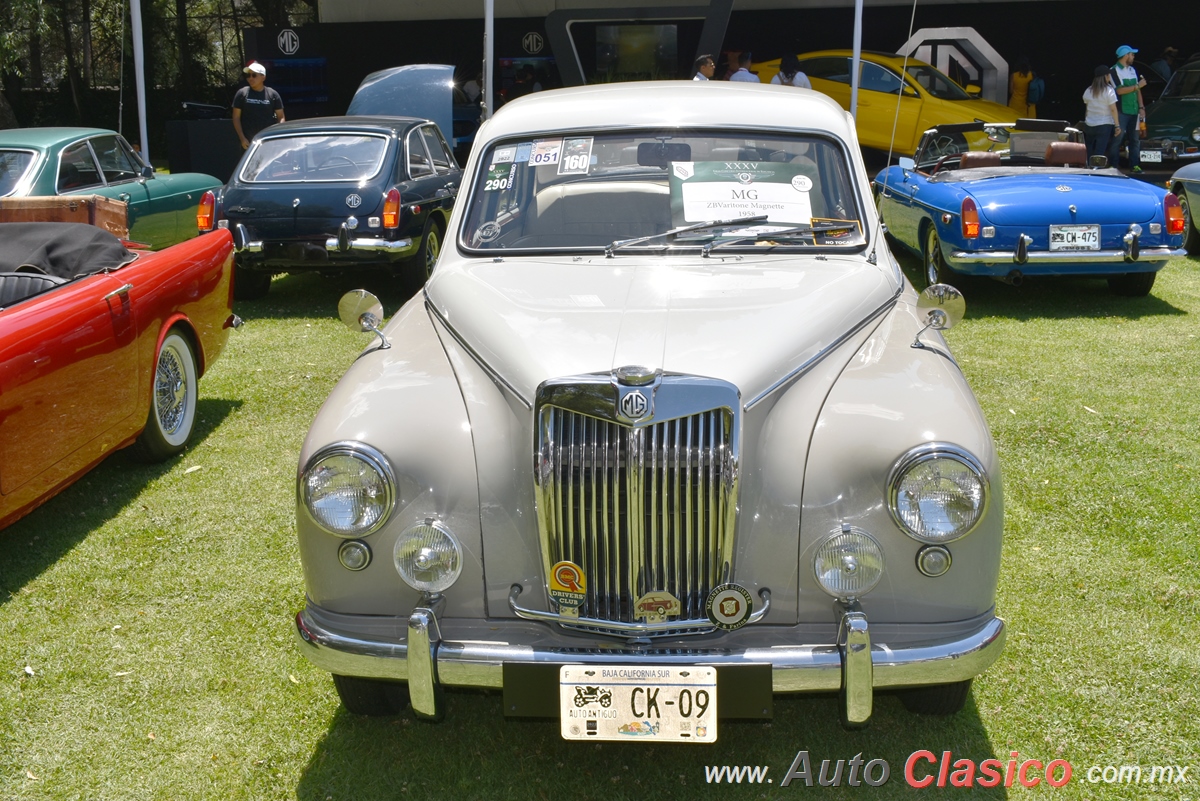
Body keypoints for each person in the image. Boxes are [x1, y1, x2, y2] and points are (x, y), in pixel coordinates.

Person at [1110, 45, 1148, 172]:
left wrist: (1141, 107)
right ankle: (1113, 166)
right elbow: (1119, 90)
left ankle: (1134, 165)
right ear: (1125, 55)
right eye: (1132, 54)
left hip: (1134, 110)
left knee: (1135, 139)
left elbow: (1138, 91)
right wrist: (1137, 86)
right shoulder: (1113, 71)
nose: (1133, 57)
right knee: (1118, 139)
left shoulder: (1132, 69)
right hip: (1121, 111)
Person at [232, 62, 284, 150]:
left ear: (263, 77)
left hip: (268, 142)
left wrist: (277, 137)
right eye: (248, 75)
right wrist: (242, 139)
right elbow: (236, 117)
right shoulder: (242, 93)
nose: (250, 78)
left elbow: (281, 117)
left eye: (254, 75)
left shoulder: (273, 94)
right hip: (248, 143)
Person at [1082, 65, 1121, 162]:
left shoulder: (1089, 90)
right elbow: (1113, 109)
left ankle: (1087, 168)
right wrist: (1117, 125)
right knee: (1100, 151)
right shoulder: (1109, 90)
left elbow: (1087, 109)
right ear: (1106, 76)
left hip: (1090, 124)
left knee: (1088, 149)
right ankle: (1096, 169)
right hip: (1104, 124)